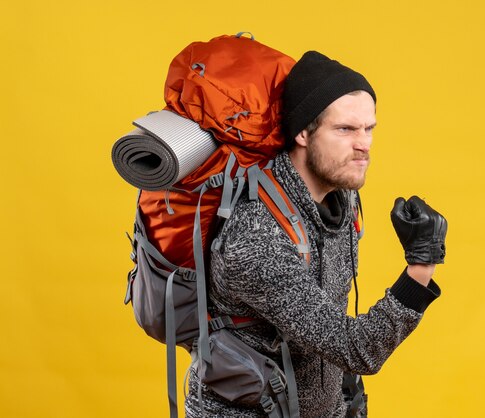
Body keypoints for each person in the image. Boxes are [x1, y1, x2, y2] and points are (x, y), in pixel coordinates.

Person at [185, 50, 447, 418]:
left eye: (369, 128)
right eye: (345, 129)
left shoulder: (343, 200)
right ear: (304, 132)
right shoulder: (255, 233)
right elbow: (353, 349)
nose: (364, 144)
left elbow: (325, 334)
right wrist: (421, 265)